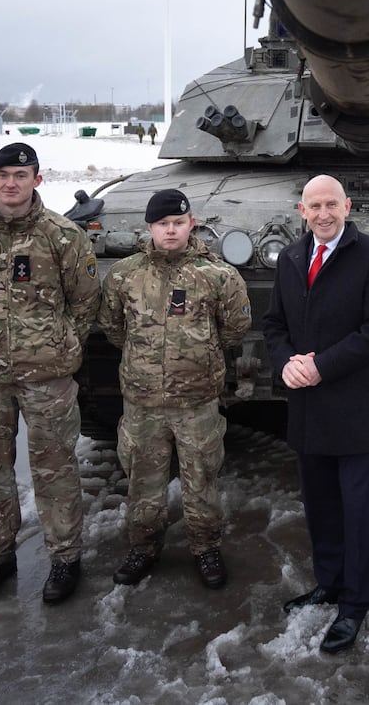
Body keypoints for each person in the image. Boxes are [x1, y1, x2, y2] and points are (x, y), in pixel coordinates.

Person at [0, 142, 100, 606]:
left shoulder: (65, 236)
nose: (11, 183)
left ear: (37, 178)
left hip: (48, 378)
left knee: (55, 469)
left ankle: (65, 558)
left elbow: (86, 300)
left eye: (21, 173)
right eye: (2, 175)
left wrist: (61, 344)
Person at [262, 174, 369, 654]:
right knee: (319, 503)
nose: (323, 213)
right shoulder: (294, 257)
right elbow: (274, 323)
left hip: (350, 403)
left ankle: (356, 602)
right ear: (302, 211)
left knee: (358, 509)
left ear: (348, 206)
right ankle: (330, 582)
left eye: (332, 205)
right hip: (305, 403)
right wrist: (285, 363)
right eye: (314, 206)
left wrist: (322, 365)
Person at [97, 188, 251, 589]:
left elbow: (235, 328)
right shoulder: (125, 274)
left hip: (197, 399)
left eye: (178, 223)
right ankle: (144, 547)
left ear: (191, 224)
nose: (171, 231)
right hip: (143, 400)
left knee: (201, 478)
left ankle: (206, 546)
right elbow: (113, 327)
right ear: (149, 227)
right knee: (143, 479)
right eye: (163, 224)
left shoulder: (217, 275)